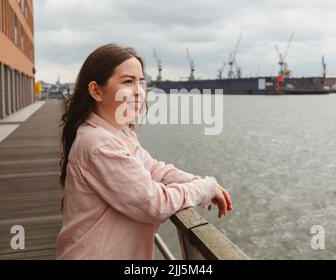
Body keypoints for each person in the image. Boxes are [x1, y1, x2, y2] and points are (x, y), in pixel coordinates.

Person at [56, 43, 232, 259]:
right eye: (128, 82)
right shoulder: (99, 144)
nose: (139, 91)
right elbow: (155, 203)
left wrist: (195, 181)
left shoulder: (117, 132)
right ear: (96, 91)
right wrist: (204, 188)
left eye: (141, 82)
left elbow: (152, 168)